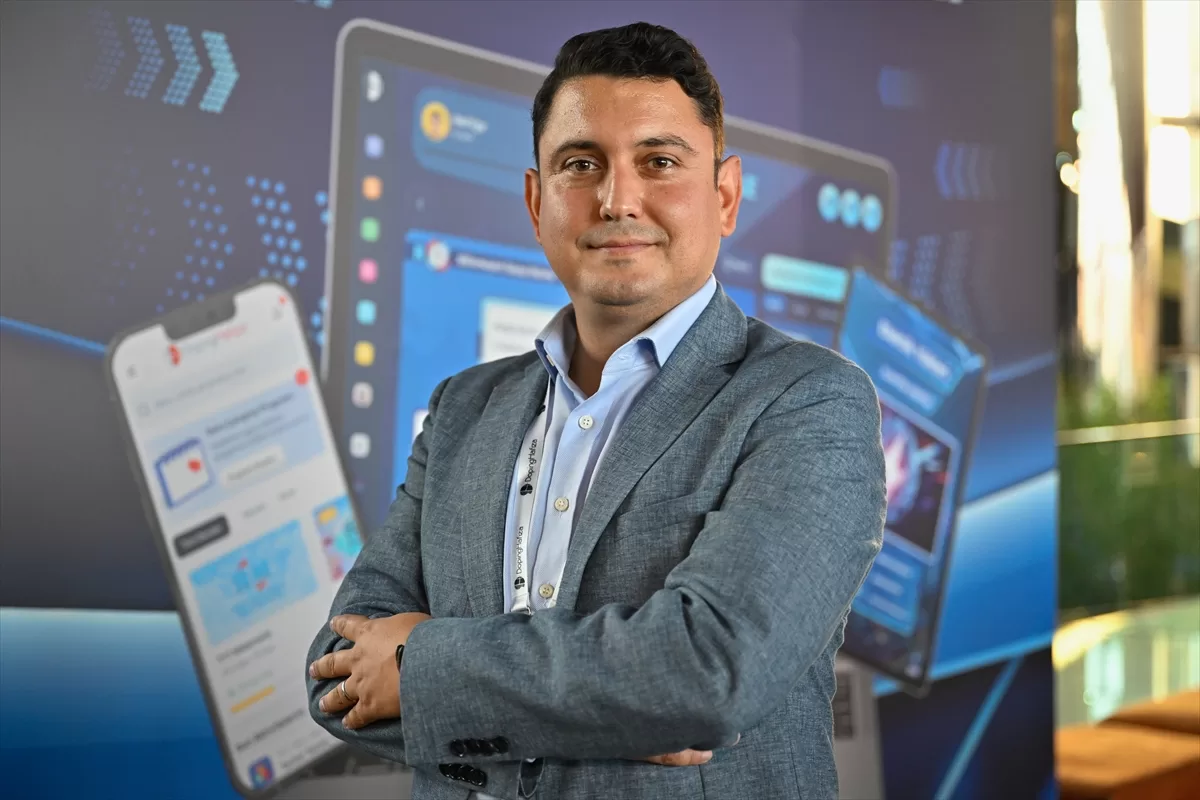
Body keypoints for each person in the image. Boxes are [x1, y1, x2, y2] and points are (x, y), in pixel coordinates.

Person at [306, 21, 885, 800]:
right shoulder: (462, 409)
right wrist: (619, 719)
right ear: (536, 199)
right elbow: (336, 674)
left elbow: (708, 675)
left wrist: (421, 671)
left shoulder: (808, 401)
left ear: (724, 195)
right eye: (582, 164)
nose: (617, 199)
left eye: (659, 162)